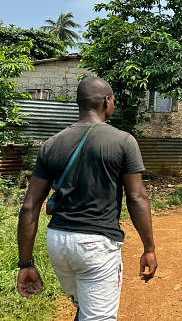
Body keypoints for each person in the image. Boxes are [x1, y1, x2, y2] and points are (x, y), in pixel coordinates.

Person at [17, 76, 157, 321]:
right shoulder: (124, 141)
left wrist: (25, 263)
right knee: (98, 316)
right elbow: (137, 198)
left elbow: (30, 206)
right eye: (113, 101)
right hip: (96, 246)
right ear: (106, 102)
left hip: (58, 243)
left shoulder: (51, 144)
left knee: (84, 306)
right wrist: (149, 248)